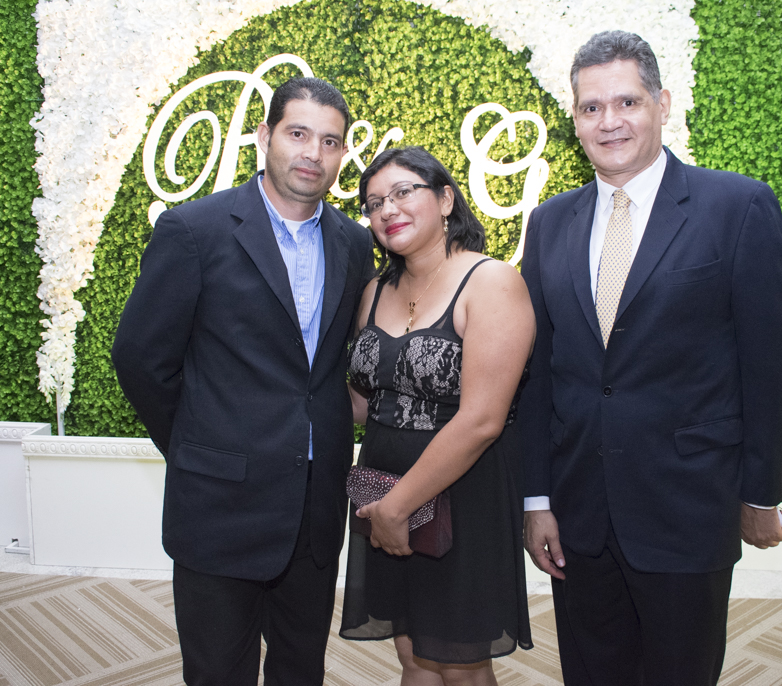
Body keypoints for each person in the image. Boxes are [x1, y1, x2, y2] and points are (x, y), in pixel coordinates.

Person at [519, 31, 782, 685]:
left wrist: (762, 493)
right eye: (591, 108)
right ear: (575, 120)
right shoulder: (550, 222)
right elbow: (537, 375)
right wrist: (537, 499)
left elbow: (771, 366)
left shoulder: (737, 207)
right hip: (579, 516)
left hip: (689, 510)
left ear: (662, 104)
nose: (609, 121)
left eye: (627, 102)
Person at [111, 76, 374, 686]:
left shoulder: (355, 242)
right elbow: (141, 359)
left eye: (329, 141)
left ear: (342, 153)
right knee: (218, 674)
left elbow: (331, 366)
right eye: (298, 133)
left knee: (300, 670)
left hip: (314, 507)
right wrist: (198, 443)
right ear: (265, 136)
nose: (312, 153)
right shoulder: (193, 230)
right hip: (219, 506)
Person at [338, 146, 535, 685]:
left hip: (462, 495)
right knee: (413, 655)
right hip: (381, 486)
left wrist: (396, 508)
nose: (387, 209)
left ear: (446, 199)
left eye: (403, 192)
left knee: (460, 664)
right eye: (374, 202)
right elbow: (364, 403)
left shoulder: (492, 282)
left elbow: (483, 420)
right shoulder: (374, 291)